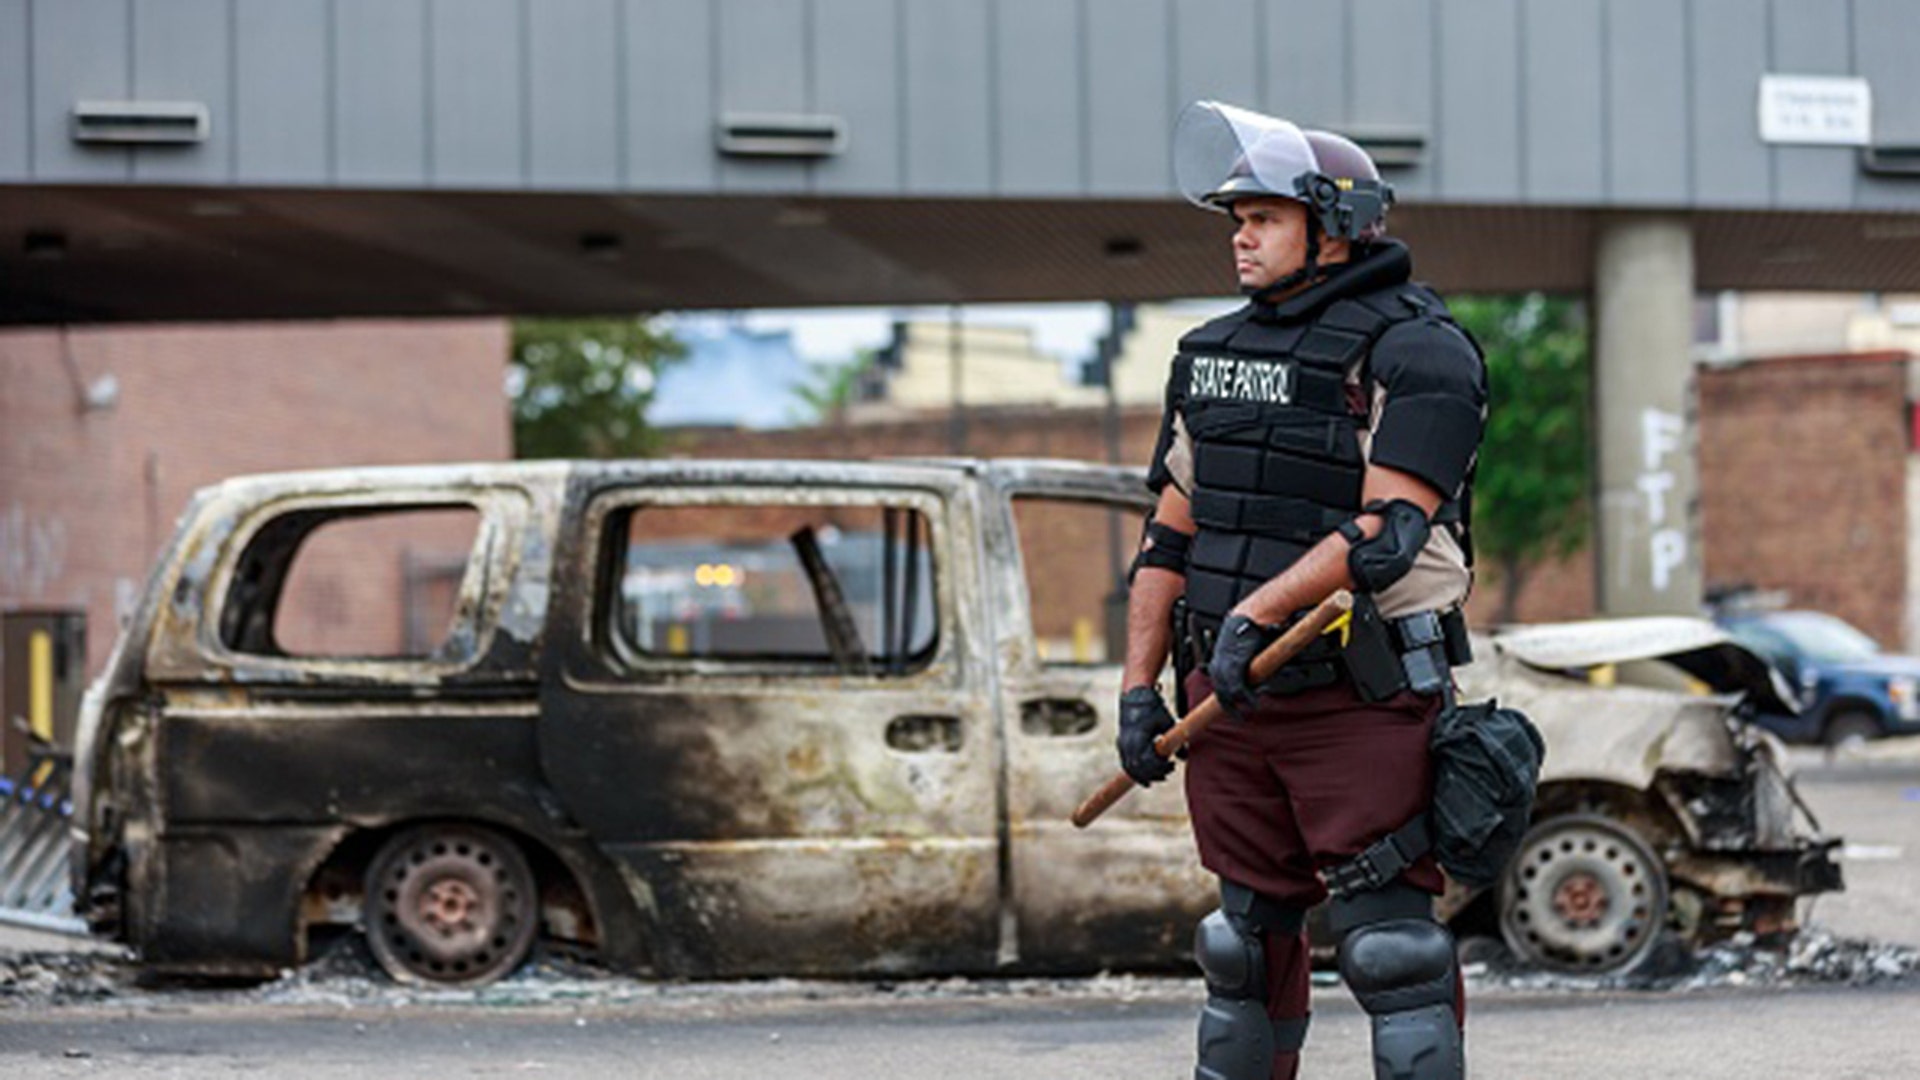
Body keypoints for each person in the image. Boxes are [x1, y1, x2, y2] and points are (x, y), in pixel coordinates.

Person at [1117, 101, 1488, 1080]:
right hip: (1228, 703)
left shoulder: (1419, 349)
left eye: (1264, 217)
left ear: (1336, 225)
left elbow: (1386, 534)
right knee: (1239, 947)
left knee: (1390, 949)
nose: (1240, 235)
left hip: (1360, 700)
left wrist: (1253, 614)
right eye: (1234, 217)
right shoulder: (1210, 354)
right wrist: (1134, 688)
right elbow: (1167, 537)